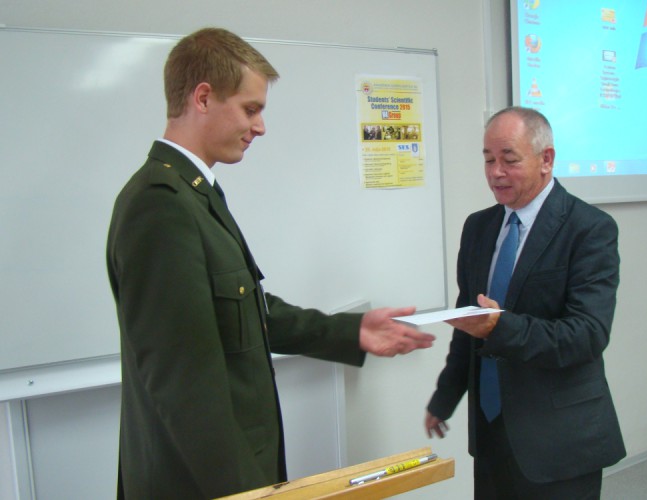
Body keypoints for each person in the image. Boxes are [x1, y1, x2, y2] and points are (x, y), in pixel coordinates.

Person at [106, 27, 435, 499]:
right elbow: (185, 388)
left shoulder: (193, 195)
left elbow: (249, 314)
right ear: (203, 98)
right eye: (250, 109)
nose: (260, 126)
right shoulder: (161, 205)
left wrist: (351, 331)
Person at [424, 107, 625, 499]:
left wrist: (500, 327)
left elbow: (588, 335)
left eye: (509, 160)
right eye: (488, 160)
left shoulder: (589, 228)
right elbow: (469, 323)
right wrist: (445, 397)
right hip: (491, 431)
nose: (496, 172)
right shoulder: (478, 227)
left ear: (546, 159)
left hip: (559, 440)